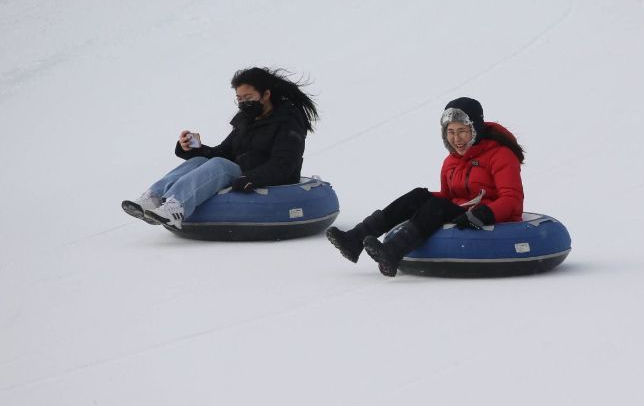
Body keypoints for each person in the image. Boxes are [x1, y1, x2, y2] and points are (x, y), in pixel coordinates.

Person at [326, 97, 524, 277]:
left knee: (439, 207)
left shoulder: (500, 155)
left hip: (486, 218)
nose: (456, 139)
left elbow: (512, 199)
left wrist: (485, 213)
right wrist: (422, 200)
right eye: (451, 132)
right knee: (418, 196)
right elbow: (447, 195)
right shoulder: (451, 161)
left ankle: (393, 252)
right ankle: (355, 239)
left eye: (462, 131)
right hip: (460, 212)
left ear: (476, 129)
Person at [121, 67, 318, 229]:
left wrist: (253, 178)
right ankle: (153, 198)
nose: (243, 103)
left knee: (220, 166)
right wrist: (192, 148)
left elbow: (284, 164)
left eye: (248, 97)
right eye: (239, 99)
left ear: (266, 94)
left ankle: (177, 206)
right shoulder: (246, 121)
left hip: (267, 178)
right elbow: (223, 153)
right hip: (242, 172)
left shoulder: (288, 122)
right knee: (200, 161)